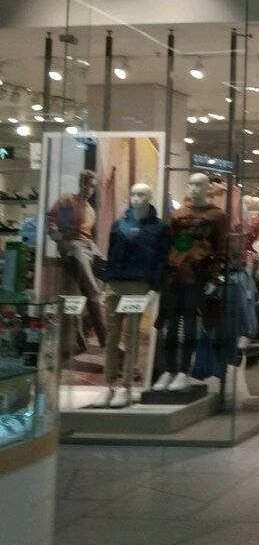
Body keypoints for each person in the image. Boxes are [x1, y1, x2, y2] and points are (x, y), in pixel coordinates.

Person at [95, 183, 169, 408]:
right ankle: (108, 386)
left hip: (138, 286)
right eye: (134, 194)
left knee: (131, 337)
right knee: (110, 337)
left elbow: (161, 260)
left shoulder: (159, 228)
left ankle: (126, 387)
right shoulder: (119, 224)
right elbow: (112, 255)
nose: (136, 198)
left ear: (150, 197)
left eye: (141, 195)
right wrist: (105, 284)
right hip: (115, 284)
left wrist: (155, 288)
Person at [153, 172, 227, 392]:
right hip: (175, 273)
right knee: (170, 324)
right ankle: (169, 370)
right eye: (191, 185)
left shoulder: (217, 216)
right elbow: (169, 245)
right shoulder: (178, 214)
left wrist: (214, 277)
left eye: (199, 185)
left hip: (197, 274)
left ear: (208, 189)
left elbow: (221, 249)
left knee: (189, 323)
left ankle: (184, 371)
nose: (194, 189)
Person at [47, 169, 107, 349]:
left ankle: (85, 338)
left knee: (112, 271)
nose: (89, 189)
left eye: (92, 186)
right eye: (86, 185)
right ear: (80, 184)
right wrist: (62, 241)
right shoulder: (67, 199)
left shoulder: (90, 210)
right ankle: (107, 342)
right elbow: (51, 220)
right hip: (74, 245)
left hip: (89, 245)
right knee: (92, 291)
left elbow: (87, 235)